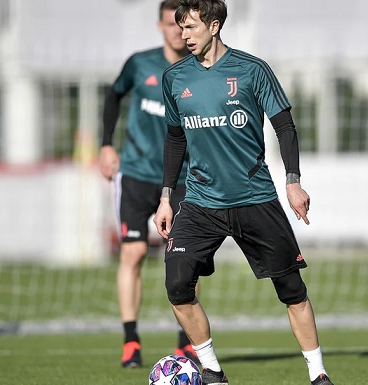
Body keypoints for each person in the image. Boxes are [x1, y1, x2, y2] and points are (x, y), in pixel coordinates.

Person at [153, 1, 334, 384]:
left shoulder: (252, 70)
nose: (183, 36)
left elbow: (285, 125)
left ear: (214, 26)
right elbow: (174, 137)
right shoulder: (175, 78)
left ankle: (318, 375)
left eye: (191, 28)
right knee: (177, 285)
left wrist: (293, 180)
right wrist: (167, 196)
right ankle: (213, 372)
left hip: (254, 198)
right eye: (180, 28)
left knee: (291, 290)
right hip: (201, 203)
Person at [98, 0, 195, 368]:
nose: (176, 30)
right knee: (134, 253)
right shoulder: (140, 63)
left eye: (182, 24)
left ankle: (187, 342)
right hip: (137, 173)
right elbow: (113, 95)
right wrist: (107, 144)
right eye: (170, 23)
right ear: (159, 26)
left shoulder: (199, 69)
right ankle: (130, 341)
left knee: (186, 260)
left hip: (184, 178)